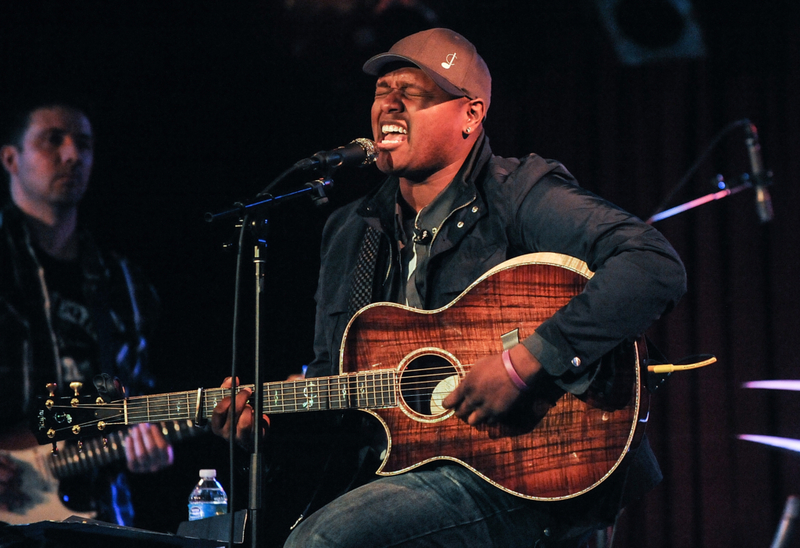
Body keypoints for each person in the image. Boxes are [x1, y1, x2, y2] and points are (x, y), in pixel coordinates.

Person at [211, 28, 687, 547]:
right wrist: (272, 426)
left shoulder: (520, 193)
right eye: (381, 91)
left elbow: (653, 264)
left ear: (471, 115)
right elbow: (339, 386)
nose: (388, 104)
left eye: (412, 93)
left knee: (321, 543)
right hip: (409, 470)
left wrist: (523, 363)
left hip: (528, 469)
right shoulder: (351, 230)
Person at [0, 101, 174, 526]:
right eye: (52, 140)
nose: (72, 155)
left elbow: (134, 399)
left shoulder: (123, 281)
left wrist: (151, 445)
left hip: (101, 517)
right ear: (11, 158)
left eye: (84, 143)